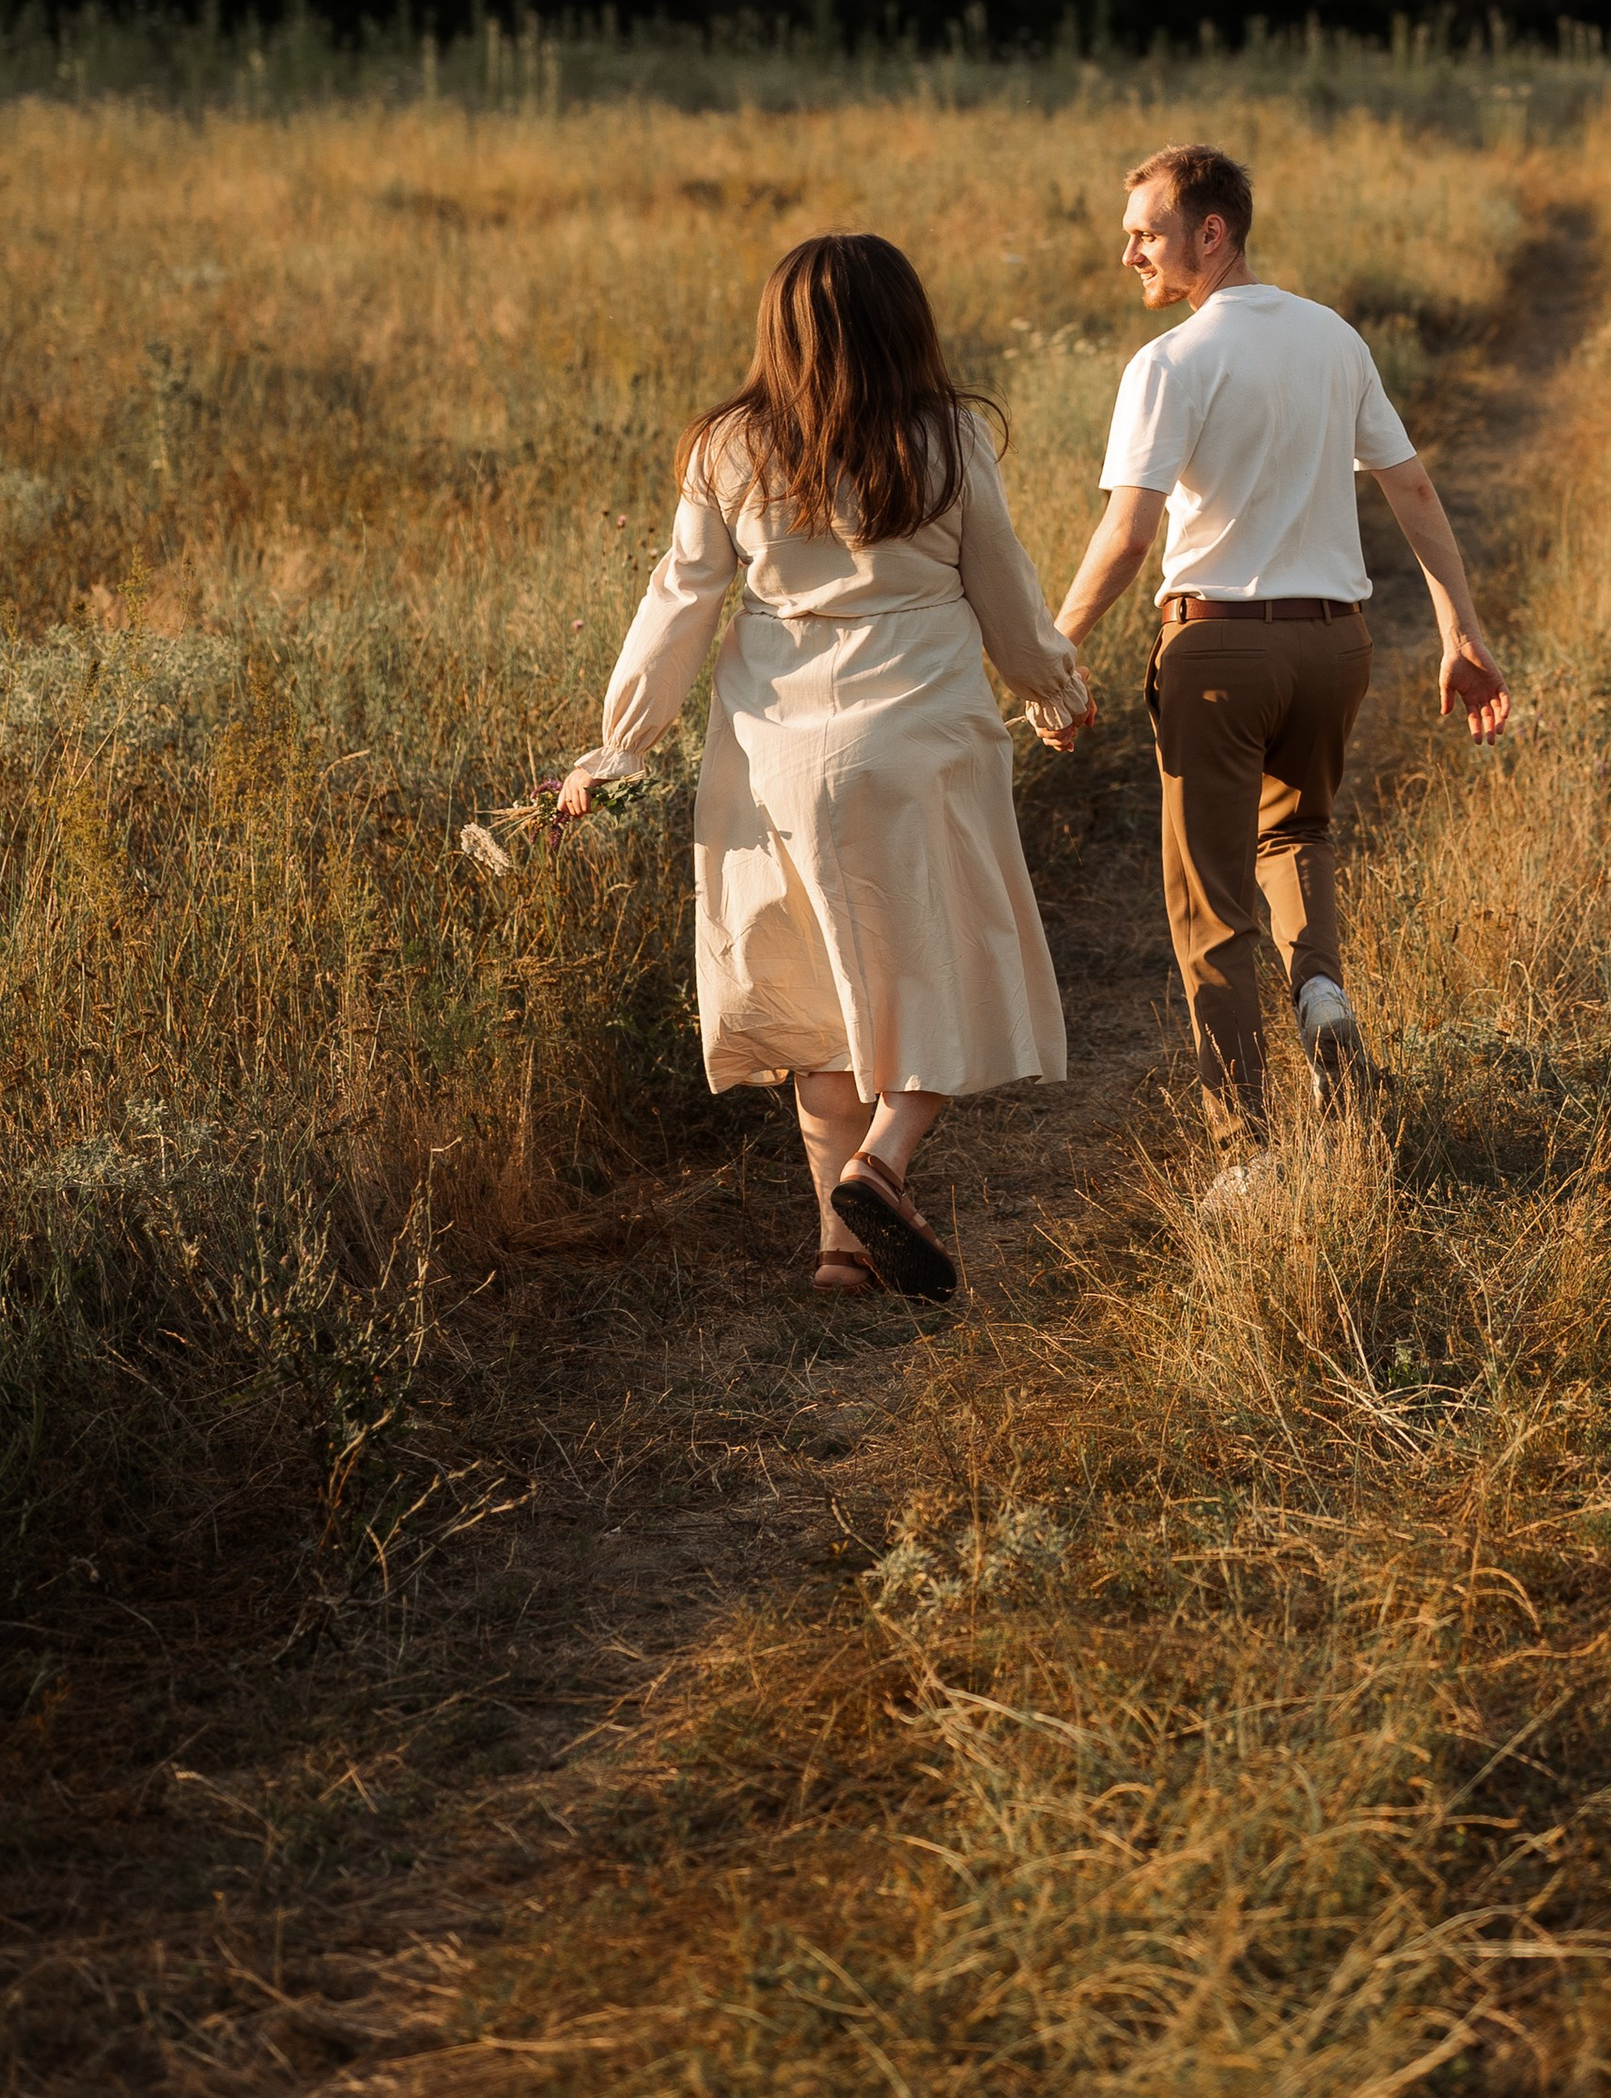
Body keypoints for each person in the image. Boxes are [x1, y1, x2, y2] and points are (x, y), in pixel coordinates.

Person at [555, 231, 1093, 1299]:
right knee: (948, 967)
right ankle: (881, 1165)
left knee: (815, 1001)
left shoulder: (724, 448)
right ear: (906, 322)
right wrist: (1055, 692)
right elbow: (1007, 597)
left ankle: (837, 1253)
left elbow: (677, 605)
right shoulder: (947, 439)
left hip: (771, 765)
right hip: (920, 749)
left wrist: (618, 749)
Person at [1052, 142, 1508, 1168]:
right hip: (1336, 647)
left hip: (1218, 650)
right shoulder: (1333, 337)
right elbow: (1415, 491)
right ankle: (1321, 994)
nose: (1130, 252)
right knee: (1295, 832)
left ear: (1211, 231)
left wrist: (1051, 652)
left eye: (1147, 232)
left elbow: (1128, 536)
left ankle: (1245, 1149)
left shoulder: (1169, 362)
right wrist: (1458, 628)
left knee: (1208, 901)